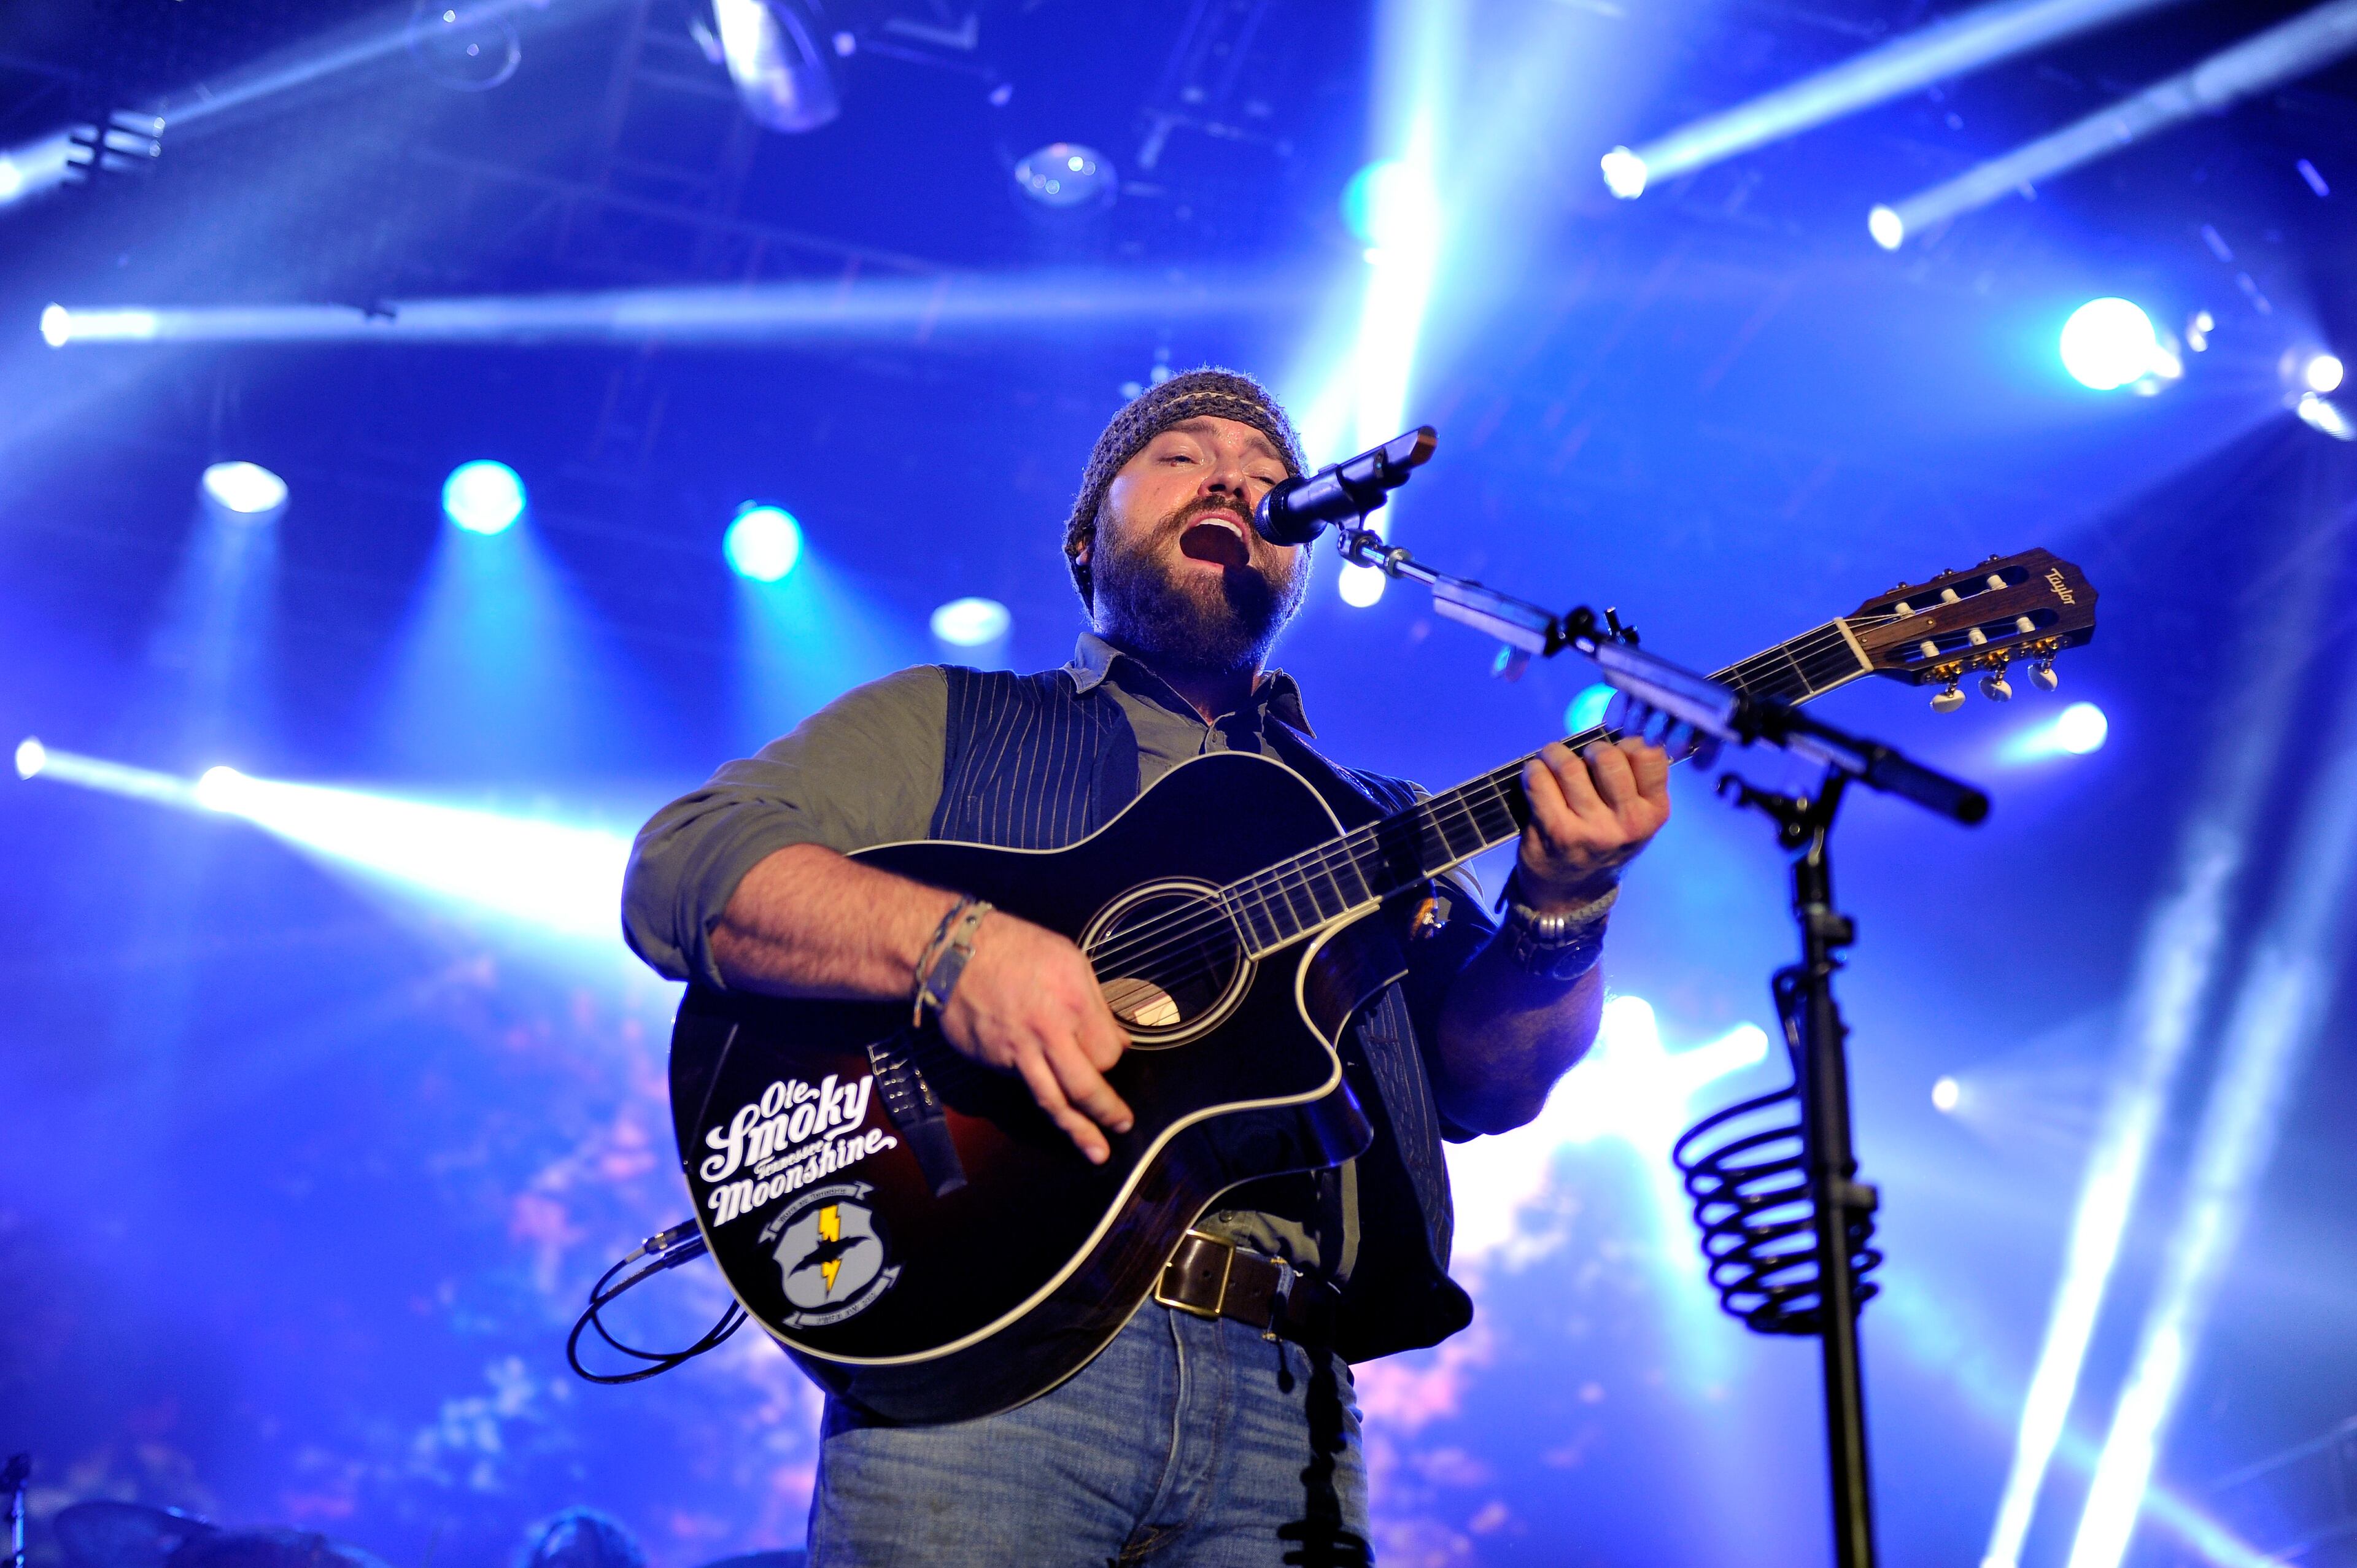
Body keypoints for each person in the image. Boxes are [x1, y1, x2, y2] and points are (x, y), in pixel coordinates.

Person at [622, 369, 1671, 1565]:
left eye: (1269, 476)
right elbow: (684, 867)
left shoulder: (1380, 824)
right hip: (987, 1382)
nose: (1233, 479)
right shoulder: (951, 721)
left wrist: (1565, 905)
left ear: (1300, 556)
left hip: (1293, 1409)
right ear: (1085, 539)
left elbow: (1492, 1085)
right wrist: (955, 948)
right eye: (1182, 455)